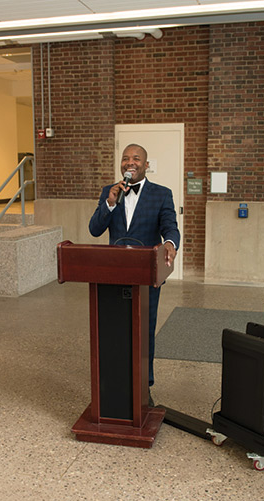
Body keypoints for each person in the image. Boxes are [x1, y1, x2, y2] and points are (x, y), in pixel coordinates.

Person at [89, 144, 180, 402]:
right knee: (114, 329)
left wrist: (170, 245)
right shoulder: (110, 192)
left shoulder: (162, 194)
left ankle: (143, 386)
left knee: (144, 330)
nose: (131, 162)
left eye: (136, 159)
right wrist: (109, 203)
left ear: (145, 165)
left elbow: (170, 228)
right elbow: (95, 230)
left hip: (146, 275)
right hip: (113, 274)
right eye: (126, 158)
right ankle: (114, 384)